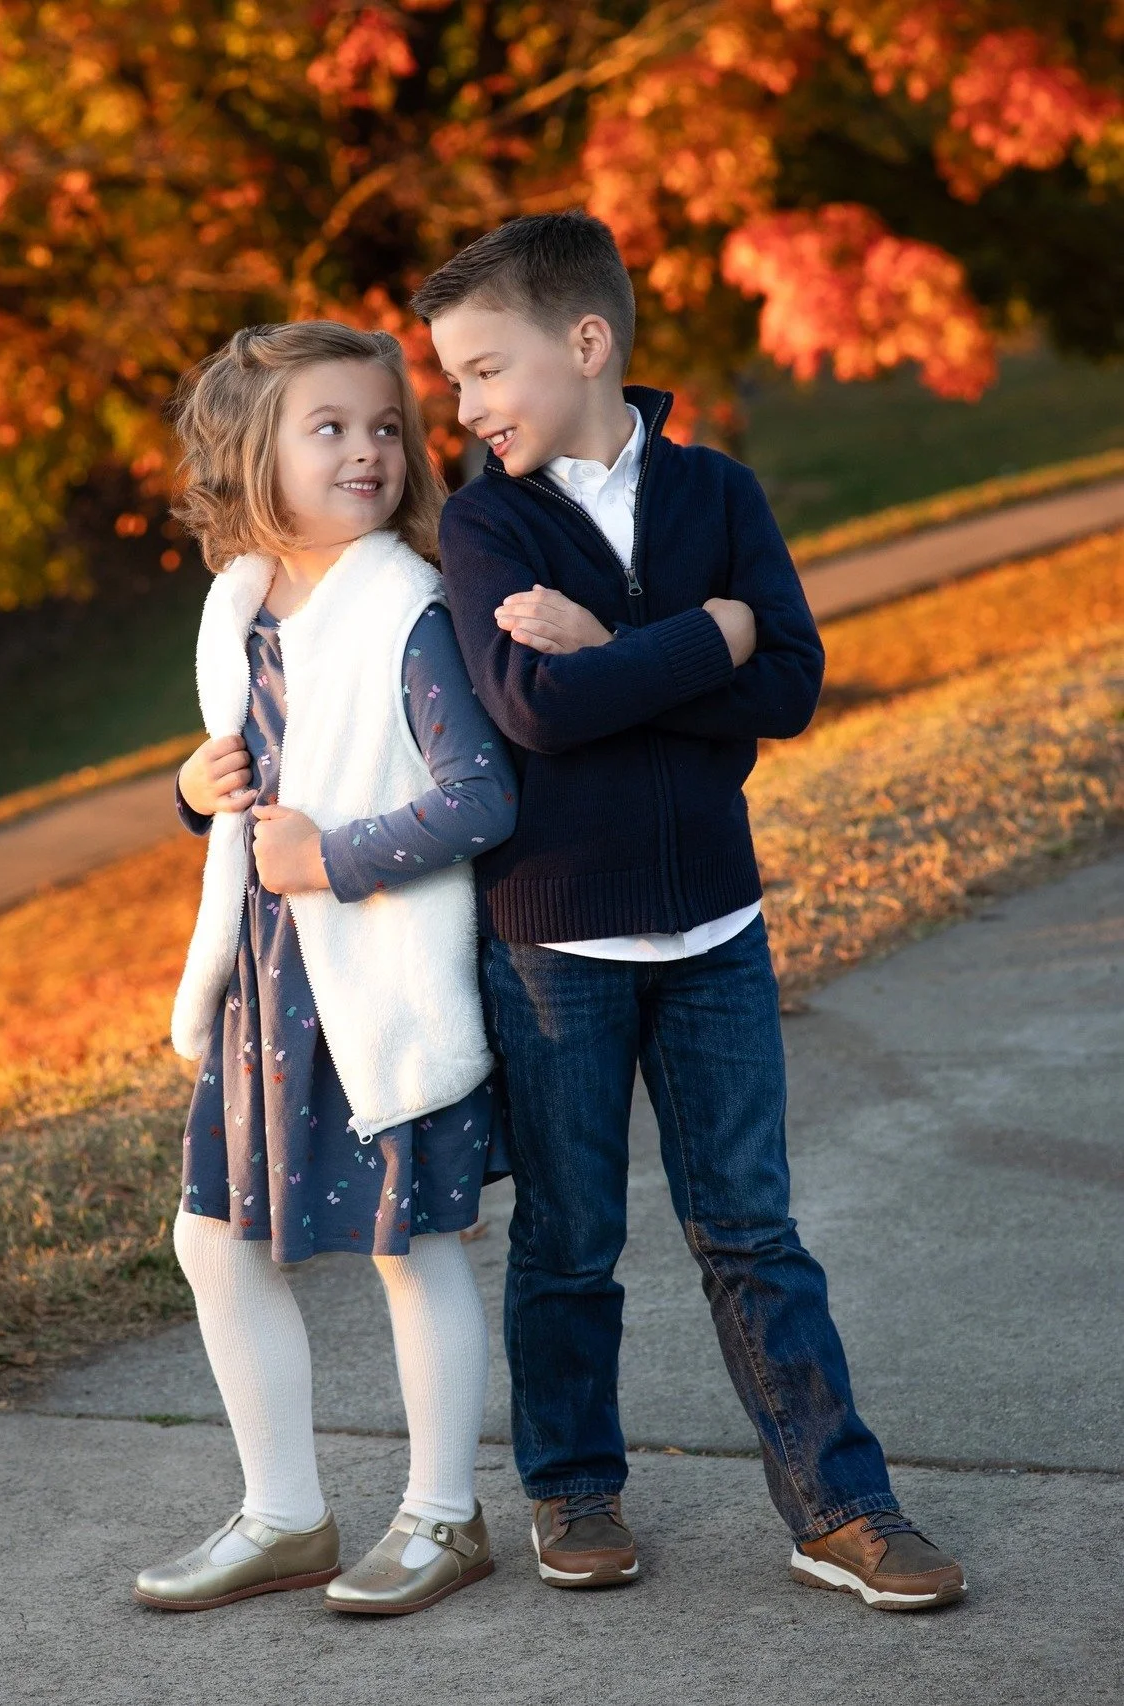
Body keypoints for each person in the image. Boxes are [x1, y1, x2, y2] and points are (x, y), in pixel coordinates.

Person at [410, 212, 967, 1611]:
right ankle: (573, 1487)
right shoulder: (482, 524)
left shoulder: (719, 492)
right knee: (571, 1234)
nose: (466, 409)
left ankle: (842, 1504)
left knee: (753, 1230)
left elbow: (786, 683)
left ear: (586, 343)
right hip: (552, 945)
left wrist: (619, 651)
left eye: (485, 371)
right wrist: (693, 637)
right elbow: (534, 710)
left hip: (717, 928)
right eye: (455, 383)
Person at [134, 320, 516, 1618]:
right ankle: (286, 1509)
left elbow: (481, 798)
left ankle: (445, 1515)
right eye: (330, 426)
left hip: (371, 989)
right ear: (253, 454)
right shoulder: (243, 604)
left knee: (412, 1246)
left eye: (385, 426)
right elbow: (245, 782)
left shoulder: (404, 609)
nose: (367, 449)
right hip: (264, 990)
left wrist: (335, 856)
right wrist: (193, 790)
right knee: (213, 1237)